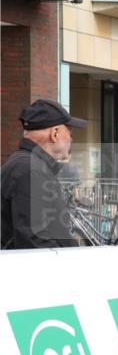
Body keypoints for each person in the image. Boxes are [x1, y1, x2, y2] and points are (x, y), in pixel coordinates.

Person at [1, 99, 87, 249]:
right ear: (55, 134)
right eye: (69, 132)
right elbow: (34, 242)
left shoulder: (28, 165)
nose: (71, 139)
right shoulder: (30, 170)